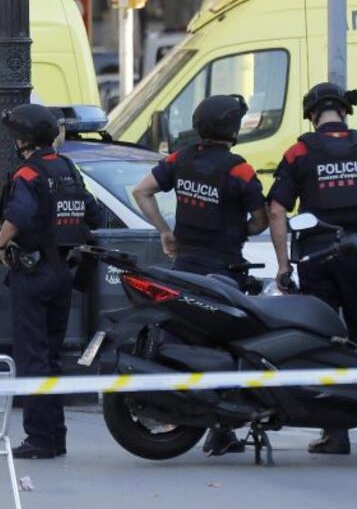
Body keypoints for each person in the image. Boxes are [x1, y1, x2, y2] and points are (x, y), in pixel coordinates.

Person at [266, 82, 357, 456]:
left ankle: (335, 432)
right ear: (344, 111)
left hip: (317, 258)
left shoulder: (299, 152)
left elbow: (276, 210)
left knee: (324, 342)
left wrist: (282, 266)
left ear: (312, 115)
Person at [132, 94, 268, 455]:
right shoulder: (239, 170)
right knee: (230, 348)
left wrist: (165, 231)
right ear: (233, 130)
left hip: (184, 268)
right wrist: (239, 229)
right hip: (224, 272)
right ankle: (222, 430)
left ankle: (189, 416)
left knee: (183, 339)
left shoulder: (180, 159)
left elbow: (141, 191)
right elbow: (260, 220)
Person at [0, 102, 100, 459]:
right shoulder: (67, 167)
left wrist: (0, 243)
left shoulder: (28, 173)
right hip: (63, 273)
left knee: (32, 358)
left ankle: (39, 439)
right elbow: (92, 211)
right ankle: (56, 436)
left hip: (33, 273)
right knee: (52, 356)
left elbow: (18, 217)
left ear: (24, 139)